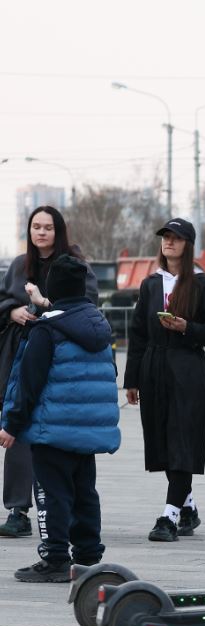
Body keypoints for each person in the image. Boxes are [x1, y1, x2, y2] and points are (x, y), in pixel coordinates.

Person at [0, 255, 119, 581]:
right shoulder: (97, 324)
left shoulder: (46, 329)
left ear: (54, 288)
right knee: (85, 493)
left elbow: (29, 381)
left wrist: (12, 424)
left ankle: (54, 559)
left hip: (52, 430)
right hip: (86, 431)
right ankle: (88, 555)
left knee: (52, 494)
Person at [0, 206, 97, 539]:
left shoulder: (74, 264)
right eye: (35, 227)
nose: (40, 233)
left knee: (60, 433)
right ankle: (17, 509)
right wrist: (13, 312)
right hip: (19, 354)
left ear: (59, 231)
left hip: (61, 358)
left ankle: (63, 507)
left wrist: (44, 306)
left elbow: (88, 304)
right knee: (17, 424)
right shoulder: (17, 265)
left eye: (48, 227)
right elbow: (1, 302)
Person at [125, 218, 205, 542]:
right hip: (154, 367)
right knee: (164, 440)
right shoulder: (151, 283)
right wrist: (132, 379)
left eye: (176, 238)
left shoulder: (201, 283)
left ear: (188, 243)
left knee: (182, 439)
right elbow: (137, 332)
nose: (169, 242)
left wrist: (187, 329)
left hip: (186, 369)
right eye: (166, 237)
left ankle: (168, 516)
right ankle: (188, 507)